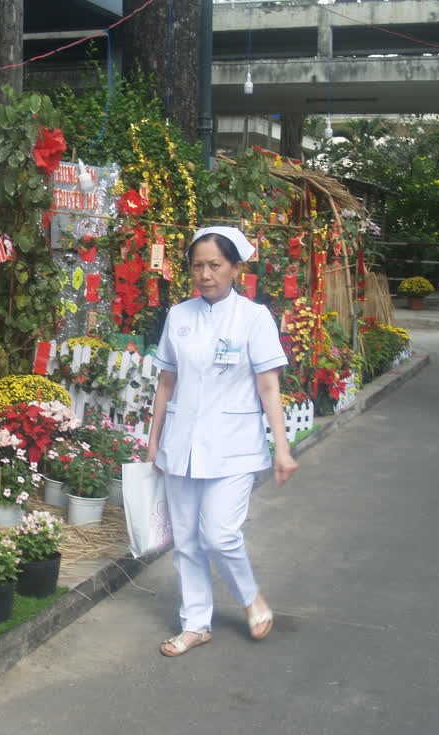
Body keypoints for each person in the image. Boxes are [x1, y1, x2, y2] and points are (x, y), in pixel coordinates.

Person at [147, 226, 298, 657]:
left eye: (215, 265)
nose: (205, 274)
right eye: (198, 265)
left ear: (235, 267)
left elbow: (270, 388)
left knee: (220, 534)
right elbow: (166, 383)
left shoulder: (254, 318)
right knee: (188, 540)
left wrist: (282, 449)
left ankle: (250, 598)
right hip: (182, 444)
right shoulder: (179, 316)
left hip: (234, 446)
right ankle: (196, 624)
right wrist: (154, 440)